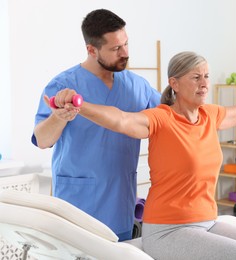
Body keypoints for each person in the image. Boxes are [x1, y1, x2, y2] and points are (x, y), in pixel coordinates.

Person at [48, 51, 236, 260]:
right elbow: (121, 119)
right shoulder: (162, 119)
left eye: (206, 76)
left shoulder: (209, 116)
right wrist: (80, 105)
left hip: (207, 221)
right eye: (196, 77)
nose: (204, 83)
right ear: (175, 84)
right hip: (168, 230)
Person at [31, 9, 161, 241]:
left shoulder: (137, 86)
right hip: (77, 204)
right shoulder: (63, 85)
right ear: (91, 50)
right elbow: (42, 140)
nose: (125, 53)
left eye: (126, 44)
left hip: (120, 203)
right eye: (115, 49)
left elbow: (169, 119)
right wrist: (58, 118)